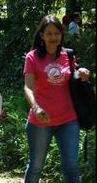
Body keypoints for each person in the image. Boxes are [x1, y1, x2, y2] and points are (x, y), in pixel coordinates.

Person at [23, 15, 90, 183]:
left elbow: (73, 77)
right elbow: (28, 87)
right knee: (35, 167)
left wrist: (82, 74)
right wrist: (36, 108)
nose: (54, 38)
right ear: (42, 36)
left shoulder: (67, 55)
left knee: (71, 167)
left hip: (68, 119)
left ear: (62, 34)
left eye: (57, 33)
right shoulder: (32, 57)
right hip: (40, 121)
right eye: (49, 34)